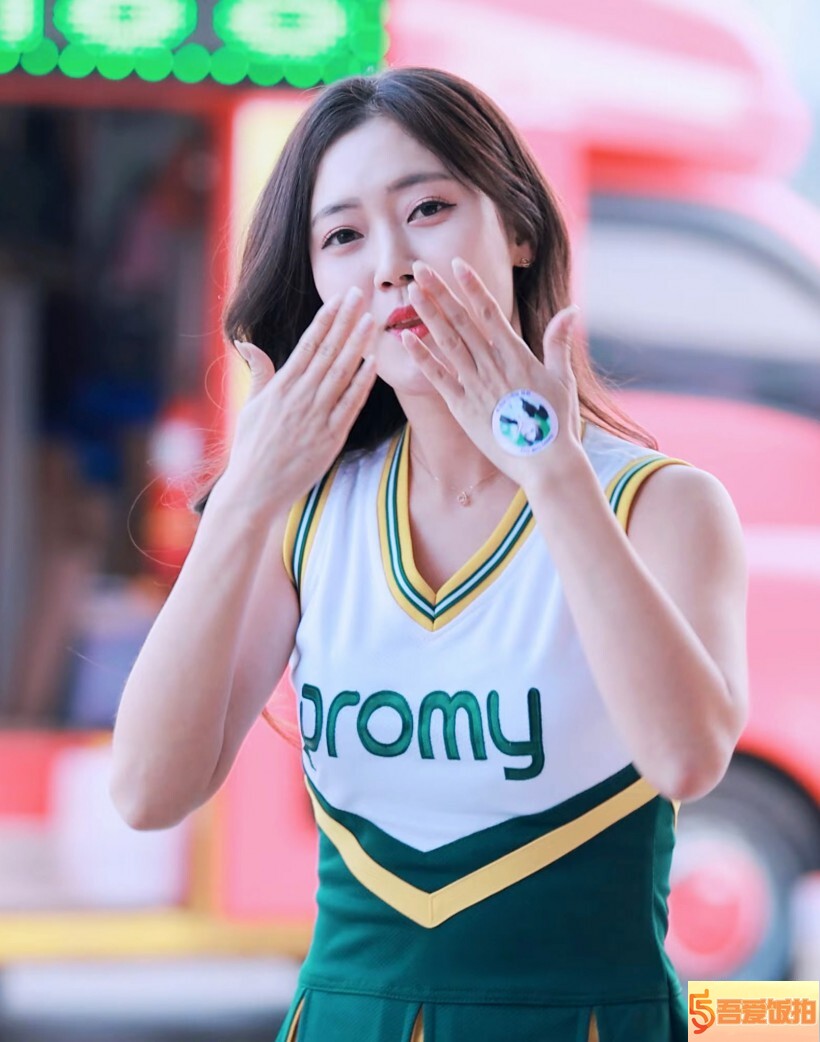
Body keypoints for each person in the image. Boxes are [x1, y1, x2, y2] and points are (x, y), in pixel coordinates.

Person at [110, 67, 749, 1042]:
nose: (392, 265)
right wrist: (243, 499)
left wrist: (551, 471)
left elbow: (688, 757)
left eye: (429, 209)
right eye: (343, 236)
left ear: (519, 230)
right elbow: (148, 791)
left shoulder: (659, 504)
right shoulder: (307, 516)